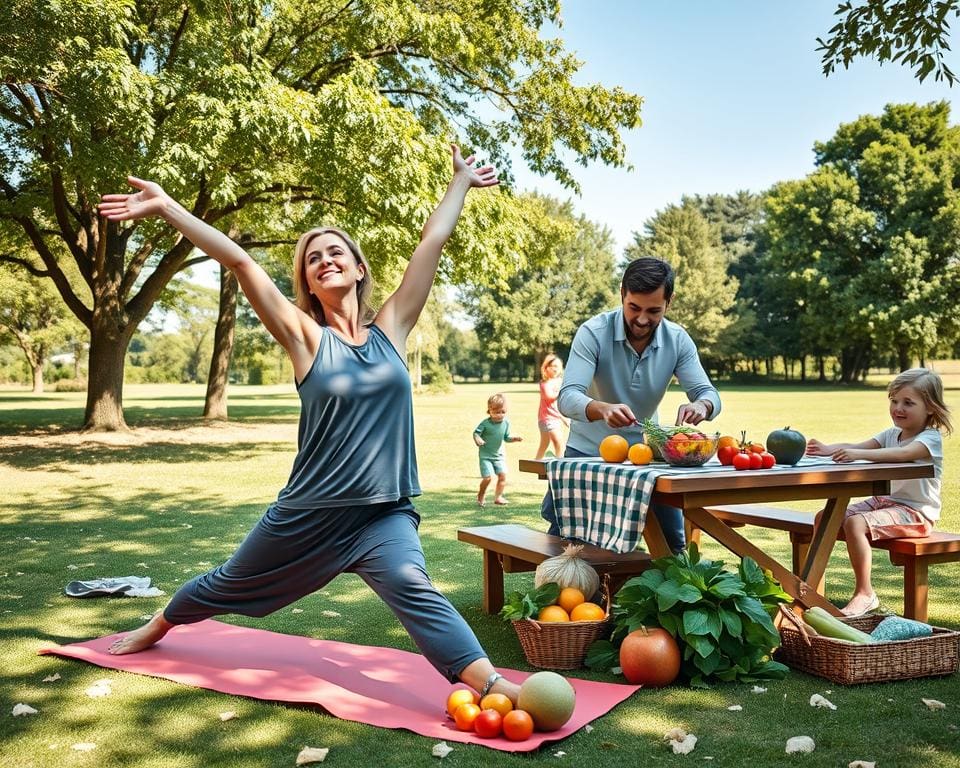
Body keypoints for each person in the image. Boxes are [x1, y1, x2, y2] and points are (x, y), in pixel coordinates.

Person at [98, 145, 521, 703]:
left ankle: (491, 685)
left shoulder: (391, 330)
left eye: (335, 251)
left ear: (358, 266)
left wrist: (460, 183)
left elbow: (430, 243)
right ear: (308, 282)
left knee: (411, 583)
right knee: (228, 583)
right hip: (309, 511)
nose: (325, 260)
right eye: (312, 259)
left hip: (383, 513)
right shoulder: (305, 338)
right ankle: (161, 624)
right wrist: (168, 207)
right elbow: (243, 263)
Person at [541, 257, 721, 553]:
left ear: (669, 302)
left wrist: (702, 406)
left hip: (646, 458)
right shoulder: (593, 332)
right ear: (622, 293)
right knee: (569, 544)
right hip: (588, 453)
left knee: (673, 548)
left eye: (654, 311)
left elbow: (709, 393)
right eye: (633, 307)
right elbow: (568, 397)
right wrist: (602, 408)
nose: (641, 319)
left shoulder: (678, 340)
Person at [806, 368, 952, 617]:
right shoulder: (890, 434)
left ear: (930, 408)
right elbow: (856, 446)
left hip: (916, 513)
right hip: (884, 503)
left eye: (908, 403)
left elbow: (903, 455)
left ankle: (865, 593)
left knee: (854, 524)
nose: (898, 408)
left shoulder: (929, 438)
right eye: (894, 401)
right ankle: (810, 587)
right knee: (824, 517)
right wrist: (828, 449)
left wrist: (860, 455)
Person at [473, 393, 523, 507]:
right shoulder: (485, 424)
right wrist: (478, 439)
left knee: (502, 476)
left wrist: (513, 439)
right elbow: (476, 433)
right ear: (489, 410)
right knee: (487, 478)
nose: (500, 415)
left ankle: (498, 497)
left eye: (502, 412)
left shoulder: (506, 423)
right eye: (496, 412)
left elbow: (506, 437)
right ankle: (481, 495)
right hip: (485, 456)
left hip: (499, 456)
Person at [535, 354, 569, 459]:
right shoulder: (545, 383)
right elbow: (550, 397)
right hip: (547, 419)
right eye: (552, 366)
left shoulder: (559, 382)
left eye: (557, 366)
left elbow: (558, 405)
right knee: (559, 444)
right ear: (546, 368)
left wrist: (564, 419)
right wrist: (561, 391)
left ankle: (537, 463)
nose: (555, 369)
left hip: (556, 418)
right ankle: (558, 466)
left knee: (545, 445)